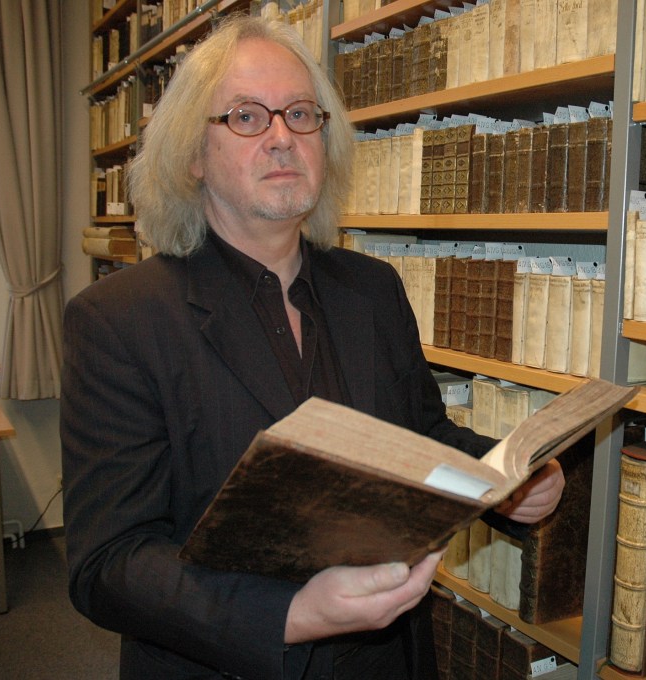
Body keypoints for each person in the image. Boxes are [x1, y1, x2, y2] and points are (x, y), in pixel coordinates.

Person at [60, 15, 565, 680]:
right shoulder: (118, 320)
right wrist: (291, 613)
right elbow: (109, 563)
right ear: (192, 155)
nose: (281, 138)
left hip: (388, 660)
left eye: (301, 114)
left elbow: (421, 433)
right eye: (246, 117)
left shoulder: (374, 289)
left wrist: (505, 479)